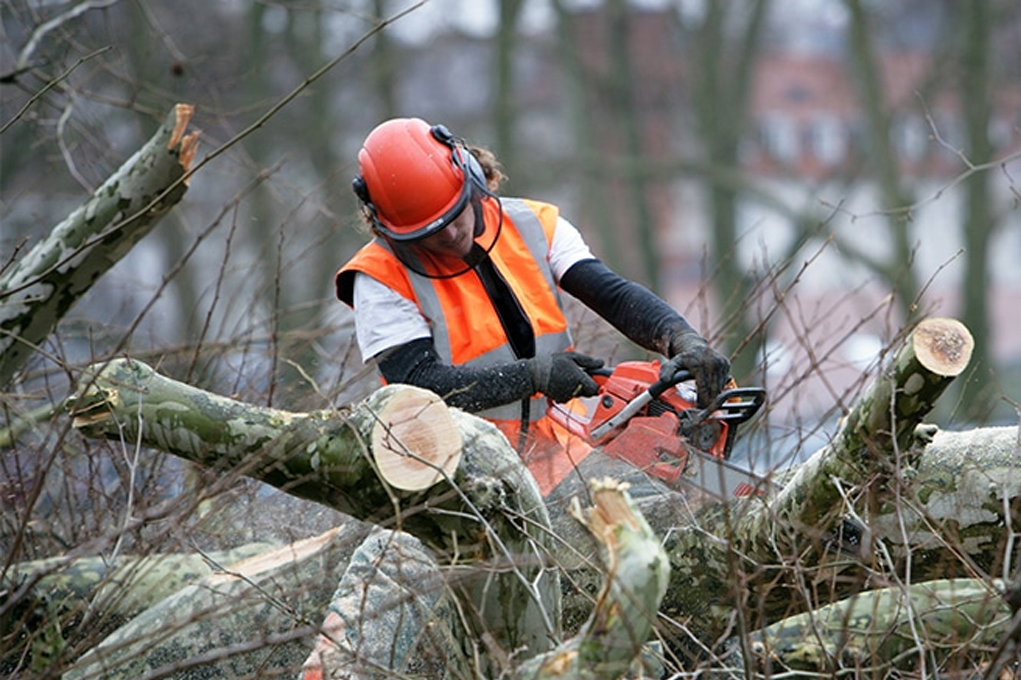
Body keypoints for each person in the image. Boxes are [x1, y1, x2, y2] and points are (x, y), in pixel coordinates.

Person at [335, 117, 731, 500]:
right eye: (432, 232)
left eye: (455, 215)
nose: (452, 233)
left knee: (657, 508)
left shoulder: (533, 223)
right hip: (459, 476)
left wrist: (680, 336)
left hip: (563, 453)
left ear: (470, 177)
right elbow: (420, 383)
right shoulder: (378, 277)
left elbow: (610, 293)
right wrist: (535, 375)